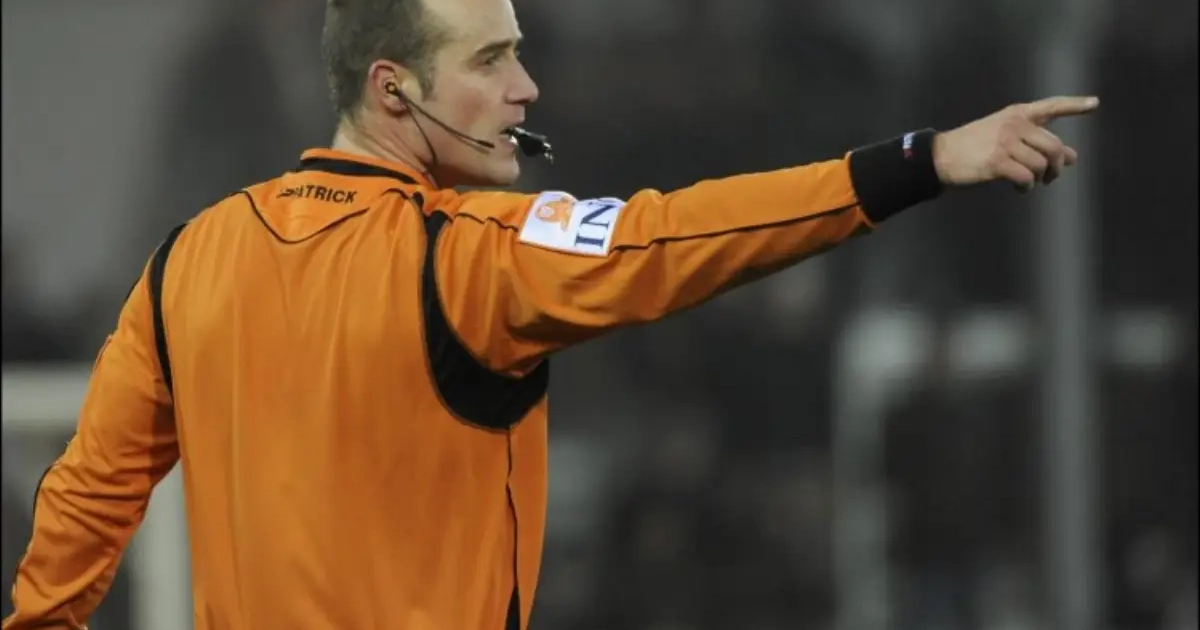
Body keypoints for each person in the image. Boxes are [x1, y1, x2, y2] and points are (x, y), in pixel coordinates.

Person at [2, 0, 1099, 627]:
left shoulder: (187, 261)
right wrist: (920, 161)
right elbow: (678, 237)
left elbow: (87, 502)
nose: (526, 89)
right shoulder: (472, 257)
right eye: (492, 61)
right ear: (393, 90)